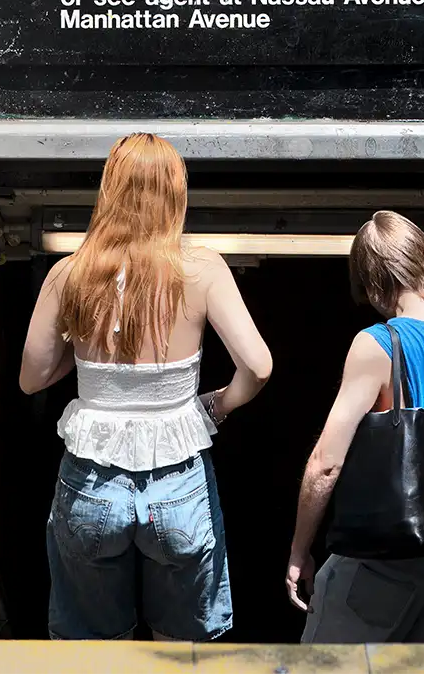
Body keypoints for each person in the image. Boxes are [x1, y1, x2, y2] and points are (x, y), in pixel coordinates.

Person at [19, 132, 272, 640]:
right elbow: (259, 367)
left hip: (90, 483)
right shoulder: (202, 269)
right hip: (178, 484)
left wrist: (85, 355)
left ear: (109, 190)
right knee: (182, 652)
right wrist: (218, 406)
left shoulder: (69, 274)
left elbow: (32, 379)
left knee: (92, 650)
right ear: (176, 193)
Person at [285, 211, 424, 643]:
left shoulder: (377, 344)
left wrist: (299, 551)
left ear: (373, 283)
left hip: (385, 567)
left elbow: (326, 463)